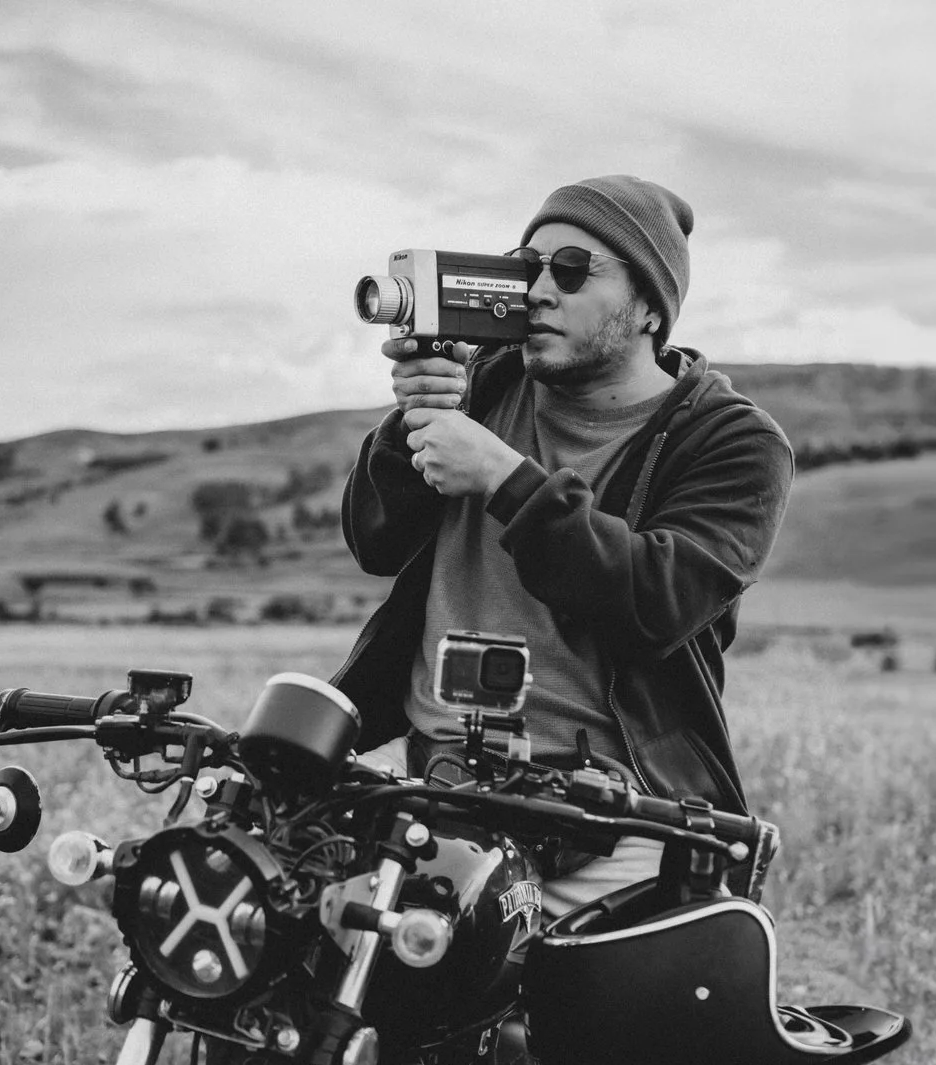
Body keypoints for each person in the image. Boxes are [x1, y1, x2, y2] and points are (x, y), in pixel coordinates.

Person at [330, 175, 793, 919]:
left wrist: (504, 480)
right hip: (432, 782)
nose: (540, 290)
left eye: (573, 271)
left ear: (650, 308)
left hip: (616, 818)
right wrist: (415, 418)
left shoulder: (735, 442)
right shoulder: (484, 383)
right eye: (529, 266)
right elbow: (375, 541)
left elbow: (657, 601)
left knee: (590, 1028)